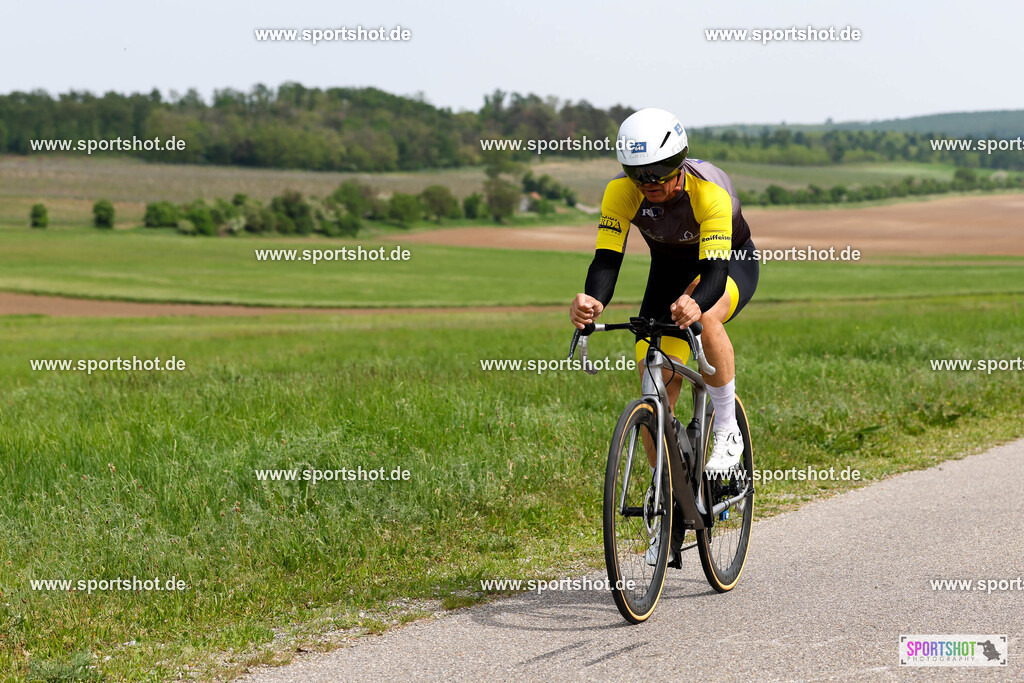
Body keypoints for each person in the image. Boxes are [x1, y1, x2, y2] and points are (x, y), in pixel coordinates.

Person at [569, 108, 759, 477]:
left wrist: (696, 301)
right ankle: (666, 491)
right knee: (654, 384)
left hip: (728, 261)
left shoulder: (710, 194)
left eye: (657, 171)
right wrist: (593, 301)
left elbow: (715, 273)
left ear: (678, 161)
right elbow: (607, 259)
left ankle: (726, 427)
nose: (647, 182)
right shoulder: (621, 193)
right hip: (669, 268)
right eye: (635, 173)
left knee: (704, 317)